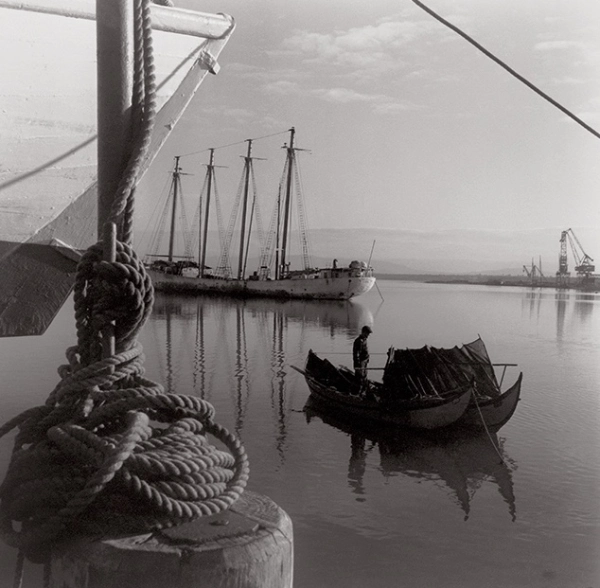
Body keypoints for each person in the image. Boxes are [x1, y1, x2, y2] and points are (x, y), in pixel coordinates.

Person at [353, 325, 372, 393]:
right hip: (360, 363)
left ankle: (363, 392)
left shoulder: (364, 340)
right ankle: (357, 393)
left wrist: (367, 359)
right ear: (363, 332)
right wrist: (358, 365)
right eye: (367, 333)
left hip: (364, 362)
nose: (368, 335)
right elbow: (356, 354)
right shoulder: (359, 341)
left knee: (364, 377)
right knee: (360, 379)